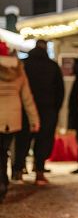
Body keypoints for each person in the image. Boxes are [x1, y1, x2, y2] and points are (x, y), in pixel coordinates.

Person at [12, 39, 64, 185]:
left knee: (23, 141)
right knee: (43, 140)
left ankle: (18, 171)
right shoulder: (52, 66)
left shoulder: (24, 65)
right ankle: (39, 171)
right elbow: (60, 91)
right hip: (47, 110)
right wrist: (55, 109)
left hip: (25, 109)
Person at [0, 42, 39, 201]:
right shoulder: (18, 69)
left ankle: (2, 182)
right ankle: (3, 182)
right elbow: (27, 98)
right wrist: (34, 119)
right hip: (13, 118)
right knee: (5, 151)